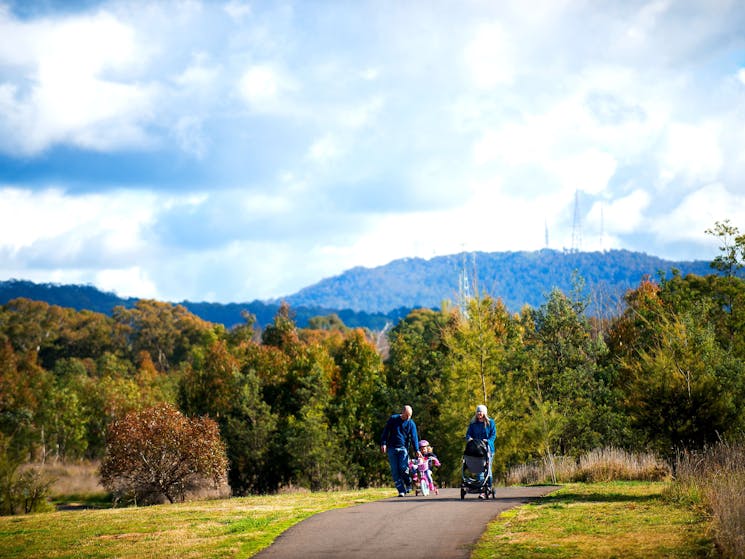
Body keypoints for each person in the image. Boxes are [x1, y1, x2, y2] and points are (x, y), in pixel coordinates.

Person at [380, 405, 421, 497]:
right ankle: (401, 490)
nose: (408, 417)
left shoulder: (411, 423)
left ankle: (408, 483)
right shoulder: (393, 419)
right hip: (392, 448)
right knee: (395, 470)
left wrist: (417, 450)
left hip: (403, 449)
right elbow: (386, 431)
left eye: (410, 415)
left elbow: (414, 437)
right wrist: (383, 443)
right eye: (407, 415)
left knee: (403, 468)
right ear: (402, 413)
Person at [465, 404, 496, 499]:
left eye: (481, 411)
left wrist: (489, 441)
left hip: (487, 449)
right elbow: (468, 434)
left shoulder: (490, 423)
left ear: (484, 413)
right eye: (478, 411)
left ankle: (489, 487)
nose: (479, 413)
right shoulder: (473, 424)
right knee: (479, 470)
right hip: (476, 450)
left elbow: (493, 435)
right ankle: (482, 490)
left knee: (488, 470)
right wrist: (469, 438)